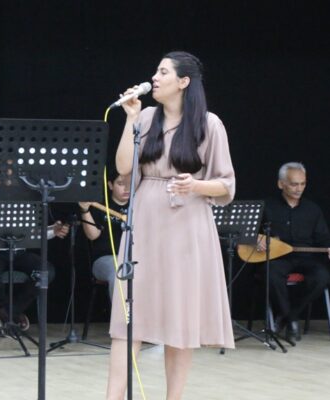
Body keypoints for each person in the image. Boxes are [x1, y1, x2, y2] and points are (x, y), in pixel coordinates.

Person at [109, 51, 235, 400]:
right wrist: (130, 119)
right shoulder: (146, 117)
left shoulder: (209, 124)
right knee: (128, 317)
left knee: (181, 321)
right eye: (156, 71)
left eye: (163, 72)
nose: (155, 77)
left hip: (187, 225)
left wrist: (196, 186)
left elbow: (226, 184)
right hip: (146, 222)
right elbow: (123, 167)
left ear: (183, 82)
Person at [0, 186, 68, 331]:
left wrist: (53, 231)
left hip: (18, 251)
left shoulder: (26, 197)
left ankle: (8, 312)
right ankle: (10, 312)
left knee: (46, 271)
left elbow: (31, 234)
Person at [260, 162, 330, 342]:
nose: (299, 188)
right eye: (293, 184)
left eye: (302, 184)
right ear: (281, 184)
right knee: (270, 273)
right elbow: (250, 235)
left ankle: (288, 316)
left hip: (306, 258)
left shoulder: (312, 209)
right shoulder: (267, 206)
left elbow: (323, 238)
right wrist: (257, 239)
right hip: (277, 258)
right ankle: (290, 318)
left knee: (322, 276)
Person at [78, 170, 130, 300]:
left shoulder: (138, 206)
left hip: (133, 259)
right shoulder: (99, 206)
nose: (126, 188)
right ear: (110, 185)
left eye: (129, 184)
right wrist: (85, 210)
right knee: (119, 271)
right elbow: (93, 236)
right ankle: (121, 313)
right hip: (105, 260)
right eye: (120, 184)